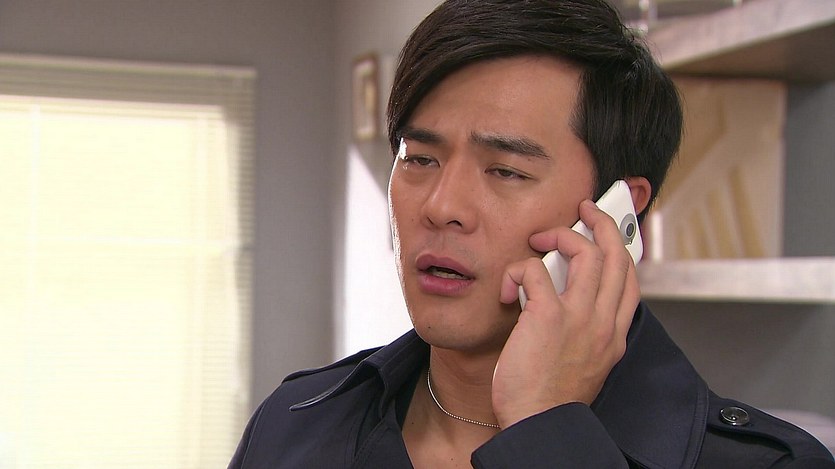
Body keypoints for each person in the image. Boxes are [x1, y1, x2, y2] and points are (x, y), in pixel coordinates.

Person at [229, 0, 835, 467]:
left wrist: (548, 429)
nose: (441, 207)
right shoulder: (296, 424)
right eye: (419, 158)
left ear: (618, 213)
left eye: (506, 171)